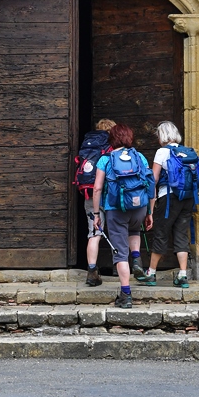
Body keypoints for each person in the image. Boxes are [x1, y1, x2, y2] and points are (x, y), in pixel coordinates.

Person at [91, 123, 154, 308]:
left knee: (119, 254)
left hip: (116, 209)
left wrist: (97, 214)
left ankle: (125, 295)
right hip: (139, 207)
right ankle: (136, 258)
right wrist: (149, 212)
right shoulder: (139, 157)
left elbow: (97, 188)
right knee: (134, 231)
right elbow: (150, 186)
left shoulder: (106, 159)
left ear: (112, 139)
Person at [135, 121, 197, 288]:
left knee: (161, 232)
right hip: (188, 198)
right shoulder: (187, 151)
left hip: (168, 198)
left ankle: (151, 273)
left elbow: (153, 180)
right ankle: (183, 275)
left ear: (161, 135)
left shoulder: (162, 152)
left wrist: (150, 203)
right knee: (181, 234)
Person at [74, 118, 116, 287]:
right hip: (111, 195)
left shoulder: (88, 145)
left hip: (90, 195)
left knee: (94, 234)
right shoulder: (112, 146)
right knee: (117, 232)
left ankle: (92, 271)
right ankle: (118, 268)